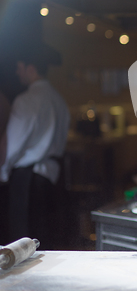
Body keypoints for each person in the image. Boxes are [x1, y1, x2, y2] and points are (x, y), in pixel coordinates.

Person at [0, 44, 70, 247]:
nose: (17, 71)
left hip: (28, 181)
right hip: (52, 177)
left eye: (19, 67)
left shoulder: (27, 100)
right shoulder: (58, 99)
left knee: (24, 243)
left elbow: (13, 146)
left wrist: (3, 173)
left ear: (30, 68)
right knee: (48, 237)